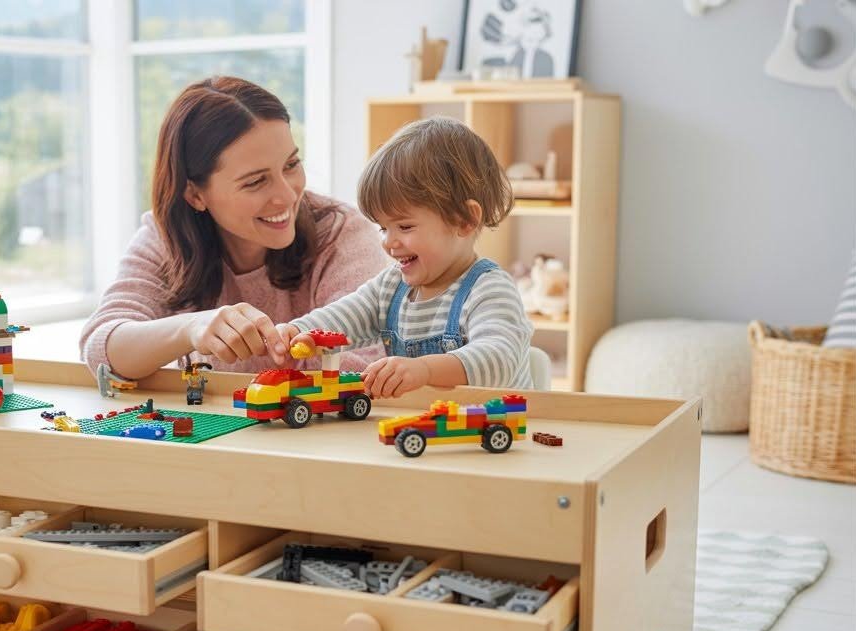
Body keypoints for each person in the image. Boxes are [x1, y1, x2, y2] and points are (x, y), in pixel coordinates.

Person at [79, 76, 390, 379]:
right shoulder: (166, 238)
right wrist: (191, 328)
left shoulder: (342, 233)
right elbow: (100, 350)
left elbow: (358, 368)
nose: (287, 194)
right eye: (255, 181)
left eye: (291, 165)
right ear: (195, 195)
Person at [275, 117, 534, 397]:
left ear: (464, 220)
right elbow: (345, 314)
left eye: (405, 226)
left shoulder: (489, 290)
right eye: (383, 228)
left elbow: (498, 358)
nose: (389, 242)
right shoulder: (391, 287)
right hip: (424, 428)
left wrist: (425, 370)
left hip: (498, 426)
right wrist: (300, 330)